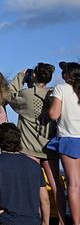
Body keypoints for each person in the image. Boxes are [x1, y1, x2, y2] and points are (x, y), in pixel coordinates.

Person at [8, 63, 65, 225]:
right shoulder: (55, 95)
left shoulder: (25, 95)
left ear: (34, 76)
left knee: (34, 187)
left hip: (29, 148)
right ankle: (61, 220)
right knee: (56, 186)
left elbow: (8, 95)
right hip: (49, 147)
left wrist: (20, 77)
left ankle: (39, 220)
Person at [0, 123, 48, 225]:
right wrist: (46, 222)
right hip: (32, 220)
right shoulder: (34, 165)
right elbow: (44, 198)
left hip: (6, 219)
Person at [47, 61, 80, 225]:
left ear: (67, 75)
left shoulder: (61, 88)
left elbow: (54, 114)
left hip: (69, 139)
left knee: (73, 185)